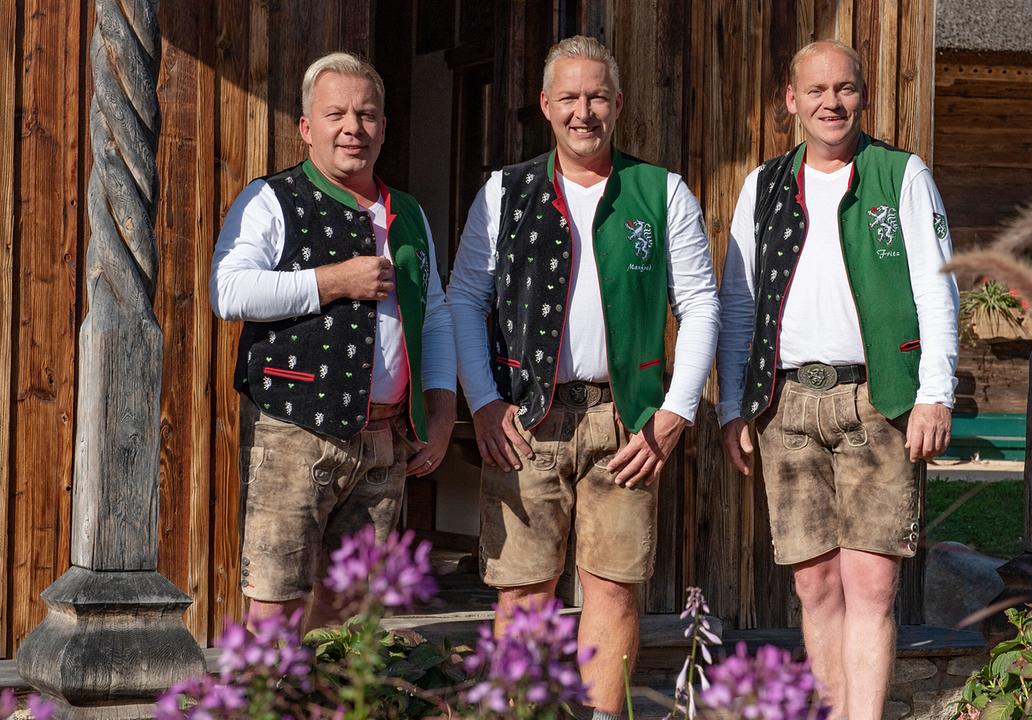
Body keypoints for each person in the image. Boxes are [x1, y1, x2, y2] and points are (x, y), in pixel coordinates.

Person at [447, 35, 719, 720]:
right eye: (569, 97)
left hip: (625, 420)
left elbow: (702, 306)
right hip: (524, 421)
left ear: (619, 103)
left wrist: (674, 412)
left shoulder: (661, 192)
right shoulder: (504, 191)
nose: (584, 111)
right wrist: (482, 402)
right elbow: (463, 297)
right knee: (523, 592)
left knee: (614, 588)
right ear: (545, 105)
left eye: (597, 96)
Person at [716, 40, 959, 718]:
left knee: (872, 585)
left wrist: (934, 392)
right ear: (791, 101)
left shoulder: (900, 175)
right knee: (816, 587)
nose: (832, 102)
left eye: (845, 88)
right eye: (817, 90)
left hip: (877, 399)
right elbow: (739, 300)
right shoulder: (763, 186)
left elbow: (937, 289)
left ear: (863, 95)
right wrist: (731, 404)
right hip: (786, 403)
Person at [210, 51, 456, 631]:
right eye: (336, 114)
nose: (354, 128)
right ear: (306, 127)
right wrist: (333, 281)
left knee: (351, 610)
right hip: (294, 432)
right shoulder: (271, 198)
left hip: (384, 439)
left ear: (384, 126)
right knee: (276, 603)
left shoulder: (410, 213)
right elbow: (228, 291)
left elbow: (436, 317)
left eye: (367, 115)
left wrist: (441, 411)